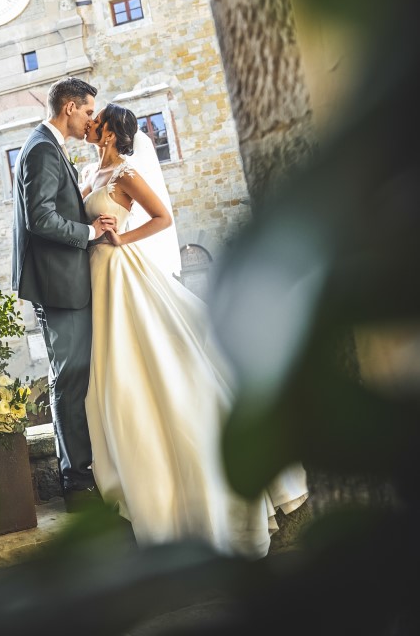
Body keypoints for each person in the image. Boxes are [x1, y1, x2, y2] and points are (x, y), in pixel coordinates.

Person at [81, 103, 308, 556]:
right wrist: (92, 226)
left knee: (152, 360)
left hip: (123, 270)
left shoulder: (125, 173)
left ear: (109, 132)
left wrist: (121, 238)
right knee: (113, 371)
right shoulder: (88, 171)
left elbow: (162, 217)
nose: (89, 123)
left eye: (96, 118)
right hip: (97, 274)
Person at [11, 77, 117, 511]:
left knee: (75, 378)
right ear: (70, 107)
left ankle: (82, 471)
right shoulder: (41, 148)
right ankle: (76, 481)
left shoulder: (47, 146)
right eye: (89, 111)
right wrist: (90, 230)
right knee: (69, 380)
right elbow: (40, 218)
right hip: (58, 284)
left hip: (65, 280)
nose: (92, 119)